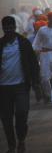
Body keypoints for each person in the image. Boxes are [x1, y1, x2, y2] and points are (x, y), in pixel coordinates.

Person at [0, 16, 41, 153]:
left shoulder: (23, 43)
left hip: (21, 86)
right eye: (6, 28)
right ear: (3, 29)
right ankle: (12, 146)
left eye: (11, 28)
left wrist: (36, 82)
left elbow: (33, 63)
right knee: (6, 118)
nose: (9, 30)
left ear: (14, 28)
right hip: (3, 88)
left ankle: (21, 140)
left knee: (22, 113)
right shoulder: (1, 45)